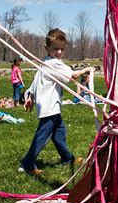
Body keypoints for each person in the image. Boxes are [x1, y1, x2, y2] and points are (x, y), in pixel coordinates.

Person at [19, 28, 91, 175]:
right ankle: (27, 163)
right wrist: (86, 70)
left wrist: (30, 96)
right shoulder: (54, 63)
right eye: (55, 48)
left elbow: (36, 81)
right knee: (42, 135)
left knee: (59, 132)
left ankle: (67, 157)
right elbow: (73, 75)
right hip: (49, 106)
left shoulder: (45, 62)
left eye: (61, 49)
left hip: (51, 106)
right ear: (46, 48)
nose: (58, 52)